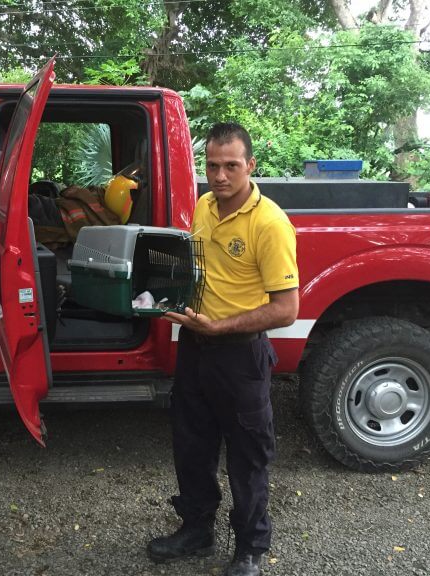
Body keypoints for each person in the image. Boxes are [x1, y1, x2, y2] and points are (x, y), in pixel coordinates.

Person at [147, 122, 299, 576]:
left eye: (231, 166)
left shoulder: (270, 223)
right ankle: (197, 530)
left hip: (240, 356)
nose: (220, 175)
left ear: (251, 165)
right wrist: (164, 299)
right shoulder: (203, 207)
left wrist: (221, 326)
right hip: (196, 348)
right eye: (212, 165)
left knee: (248, 455)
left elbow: (287, 309)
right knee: (191, 446)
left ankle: (250, 548)